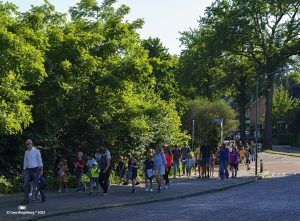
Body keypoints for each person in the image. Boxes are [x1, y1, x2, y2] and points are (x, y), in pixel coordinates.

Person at [21, 139, 46, 204]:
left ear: (31, 143)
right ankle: (26, 200)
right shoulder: (26, 152)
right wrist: (24, 169)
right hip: (28, 170)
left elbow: (40, 161)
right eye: (26, 144)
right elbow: (25, 161)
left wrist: (41, 170)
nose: (27, 145)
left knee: (37, 184)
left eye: (28, 144)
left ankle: (43, 196)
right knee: (25, 184)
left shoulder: (36, 151)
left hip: (35, 170)